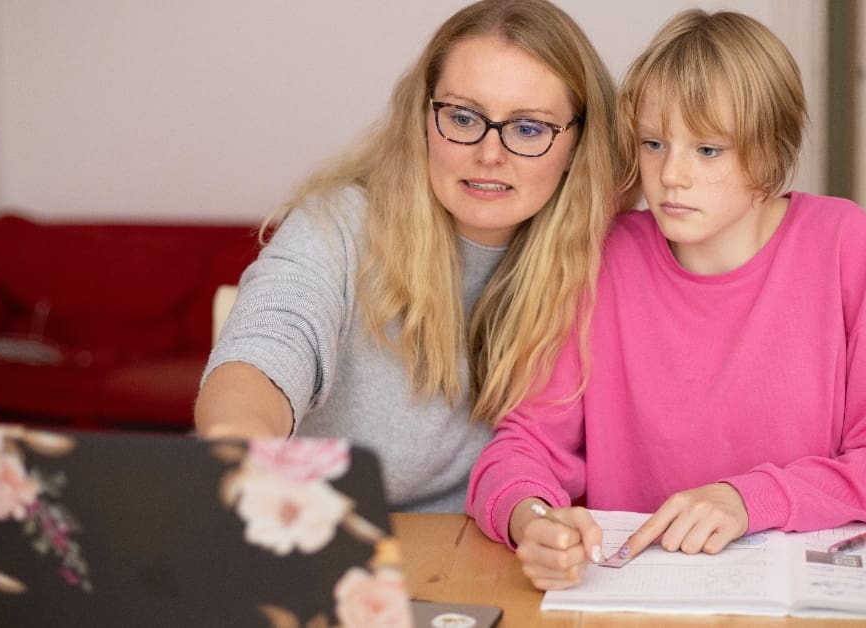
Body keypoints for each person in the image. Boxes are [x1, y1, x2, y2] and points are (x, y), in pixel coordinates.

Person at [466, 9, 866, 589]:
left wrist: (748, 499)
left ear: (769, 153)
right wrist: (534, 520)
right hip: (634, 598)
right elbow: (523, 447)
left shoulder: (843, 243)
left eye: (708, 150)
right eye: (654, 143)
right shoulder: (603, 257)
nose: (671, 174)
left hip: (801, 596)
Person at [195, 0, 620, 513]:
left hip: (485, 555)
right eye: (463, 118)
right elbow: (268, 343)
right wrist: (241, 445)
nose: (490, 153)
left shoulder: (605, 258)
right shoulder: (339, 224)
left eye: (528, 128)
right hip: (317, 536)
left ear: (576, 142)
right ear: (424, 117)